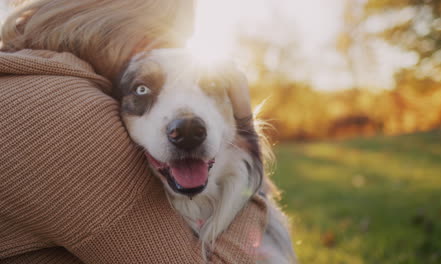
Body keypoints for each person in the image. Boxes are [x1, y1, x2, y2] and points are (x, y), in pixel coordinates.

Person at [0, 0, 266, 263]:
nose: (174, 50)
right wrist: (249, 140)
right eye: (168, 37)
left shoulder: (28, 77)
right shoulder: (68, 113)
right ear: (126, 25)